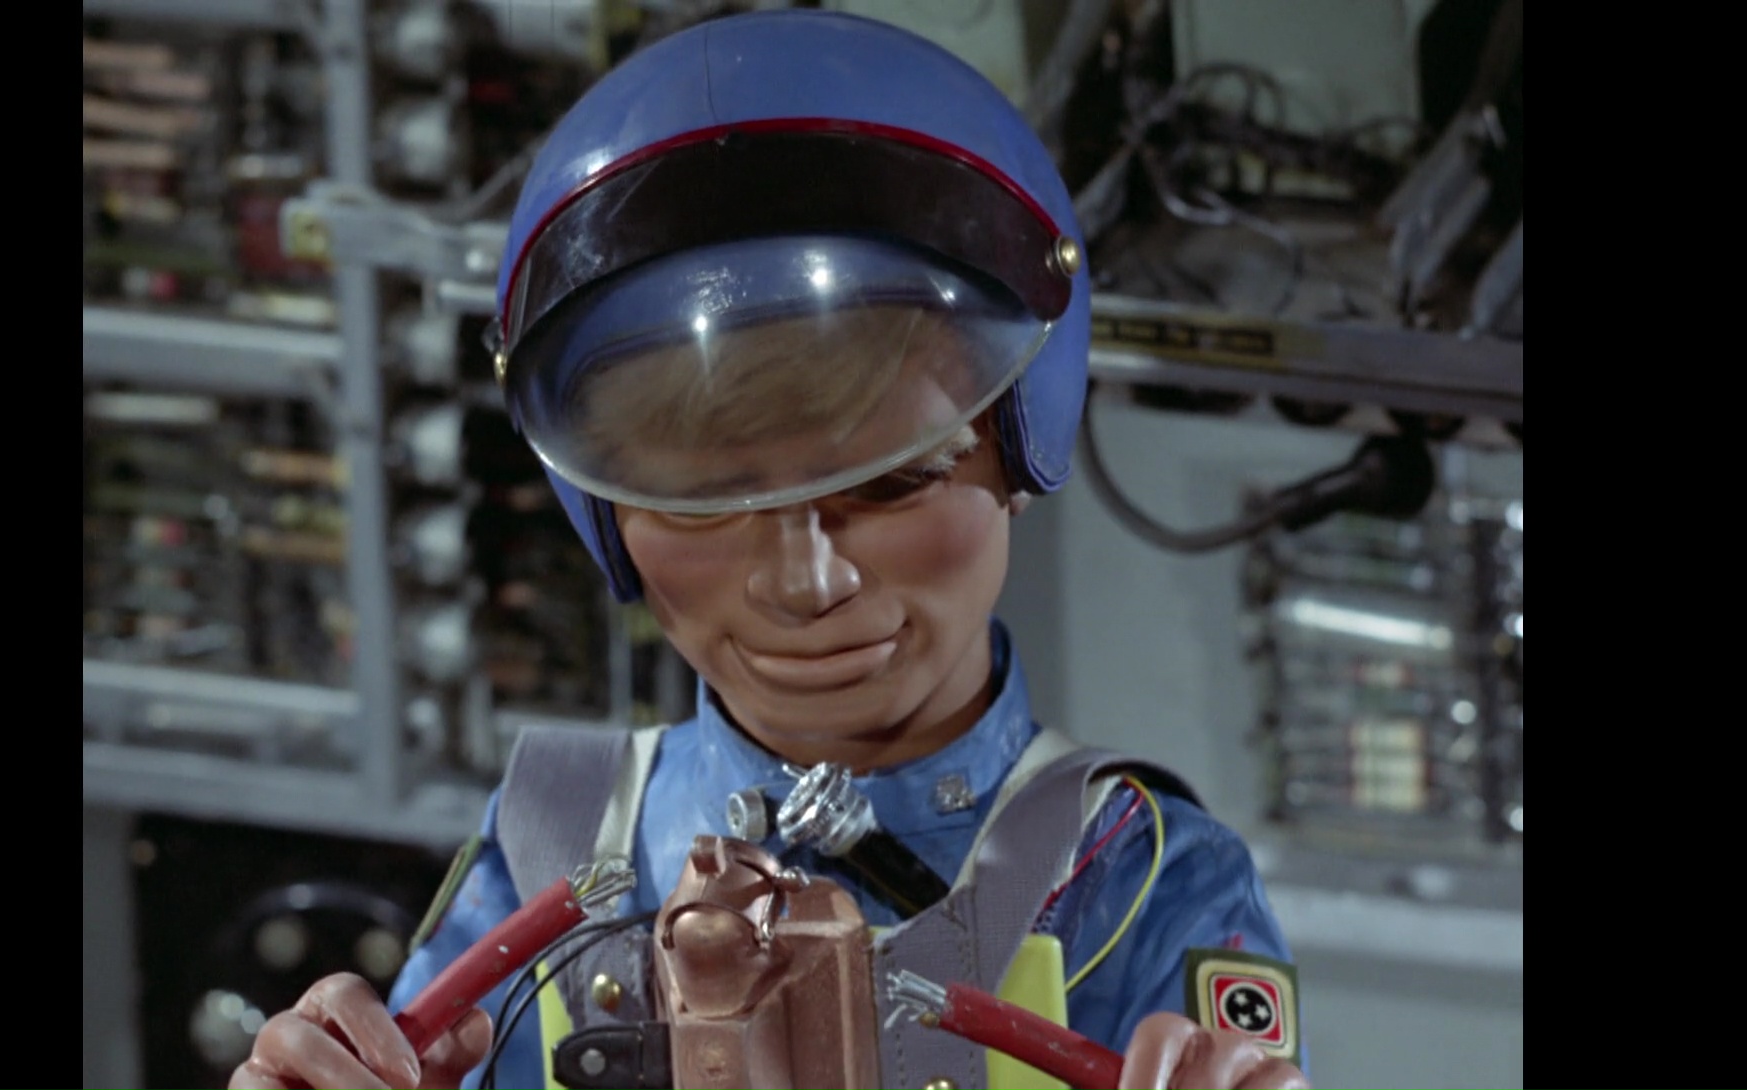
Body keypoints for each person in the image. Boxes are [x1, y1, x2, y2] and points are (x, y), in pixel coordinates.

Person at [232, 10, 1310, 1090]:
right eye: (700, 500)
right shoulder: (552, 842)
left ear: (1028, 431)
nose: (807, 581)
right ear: (605, 512)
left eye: (893, 478)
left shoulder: (1139, 882)